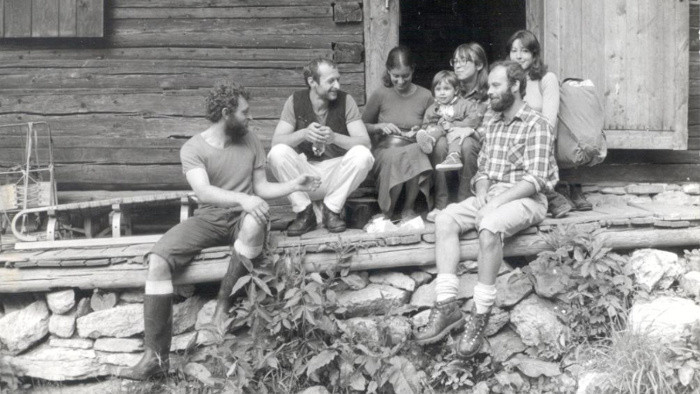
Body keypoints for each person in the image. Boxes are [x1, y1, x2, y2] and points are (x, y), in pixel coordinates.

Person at [118, 81, 321, 380]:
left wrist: (294, 184)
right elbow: (204, 192)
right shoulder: (193, 148)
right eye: (245, 112)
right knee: (158, 260)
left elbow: (261, 188)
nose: (250, 118)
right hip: (210, 218)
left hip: (243, 217)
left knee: (254, 221)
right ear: (226, 113)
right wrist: (244, 198)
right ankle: (155, 359)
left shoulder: (250, 140)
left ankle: (223, 304)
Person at [414, 61, 557, 358]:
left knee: (489, 227)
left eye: (495, 86)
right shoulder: (492, 123)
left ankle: (480, 313)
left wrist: (493, 204)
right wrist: (481, 193)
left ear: (515, 87)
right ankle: (447, 306)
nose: (488, 91)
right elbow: (483, 171)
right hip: (492, 195)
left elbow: (536, 179)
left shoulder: (537, 124)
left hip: (526, 199)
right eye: (489, 85)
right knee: (445, 220)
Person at [267, 58, 374, 235]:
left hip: (335, 176)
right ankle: (304, 213)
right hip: (305, 177)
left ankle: (331, 210)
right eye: (331, 81)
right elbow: (276, 142)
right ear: (312, 82)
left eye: (338, 79)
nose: (337, 86)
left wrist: (335, 137)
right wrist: (302, 134)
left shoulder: (346, 101)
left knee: (363, 154)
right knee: (277, 153)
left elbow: (366, 143)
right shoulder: (295, 101)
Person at [507, 30, 591, 215]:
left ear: (534, 54)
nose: (518, 56)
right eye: (514, 51)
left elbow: (548, 123)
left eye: (524, 51)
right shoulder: (509, 82)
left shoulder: (546, 79)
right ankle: (554, 197)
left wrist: (527, 139)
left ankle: (554, 199)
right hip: (514, 140)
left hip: (541, 139)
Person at [362, 46, 434, 220]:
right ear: (388, 71)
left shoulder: (425, 96)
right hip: (385, 149)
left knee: (416, 151)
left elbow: (433, 125)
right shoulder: (380, 94)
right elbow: (361, 125)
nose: (400, 81)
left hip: (412, 146)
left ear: (413, 70)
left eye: (405, 76)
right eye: (396, 76)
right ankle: (387, 211)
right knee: (395, 157)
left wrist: (421, 130)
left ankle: (408, 209)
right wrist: (379, 127)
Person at [430, 43, 490, 220]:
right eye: (455, 61)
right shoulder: (449, 89)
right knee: (439, 143)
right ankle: (441, 204)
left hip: (477, 146)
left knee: (468, 143)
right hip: (448, 142)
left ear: (478, 65)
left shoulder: (488, 92)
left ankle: (466, 202)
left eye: (464, 61)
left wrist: (469, 130)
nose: (457, 65)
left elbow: (491, 125)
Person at [416, 70, 483, 172]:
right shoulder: (432, 109)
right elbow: (426, 123)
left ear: (455, 90)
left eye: (446, 89)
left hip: (457, 133)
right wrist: (428, 128)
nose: (442, 92)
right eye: (438, 89)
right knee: (436, 128)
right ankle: (429, 141)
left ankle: (453, 156)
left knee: (455, 132)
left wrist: (453, 125)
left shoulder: (465, 105)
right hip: (440, 135)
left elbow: (473, 120)